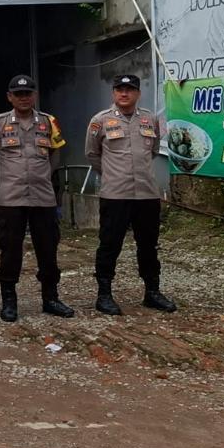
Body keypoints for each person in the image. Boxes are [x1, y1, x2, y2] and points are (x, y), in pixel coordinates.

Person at [0, 75, 74, 323]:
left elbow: (56, 155)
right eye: (18, 94)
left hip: (43, 198)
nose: (23, 98)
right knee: (10, 251)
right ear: (9, 97)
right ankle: (9, 301)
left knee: (48, 249)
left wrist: (43, 176)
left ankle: (51, 298)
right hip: (10, 199)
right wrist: (5, 182)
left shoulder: (48, 122)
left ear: (35, 96)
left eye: (27, 93)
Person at [85, 74, 177, 315]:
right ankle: (104, 295)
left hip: (146, 194)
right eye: (120, 89)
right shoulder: (100, 121)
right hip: (115, 195)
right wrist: (113, 175)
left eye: (129, 89)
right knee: (109, 245)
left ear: (138, 93)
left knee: (148, 245)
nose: (124, 93)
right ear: (114, 93)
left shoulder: (150, 119)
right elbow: (93, 154)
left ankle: (152, 292)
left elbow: (153, 151)